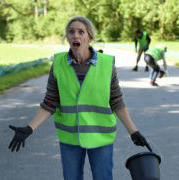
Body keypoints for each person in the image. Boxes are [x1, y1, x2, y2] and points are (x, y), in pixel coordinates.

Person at [8, 16, 150, 180]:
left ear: (89, 37)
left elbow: (117, 101)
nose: (76, 35)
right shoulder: (58, 64)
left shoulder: (106, 64)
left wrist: (134, 132)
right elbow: (50, 102)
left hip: (100, 136)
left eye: (81, 32)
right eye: (71, 32)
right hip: (70, 137)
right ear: (67, 37)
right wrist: (29, 128)